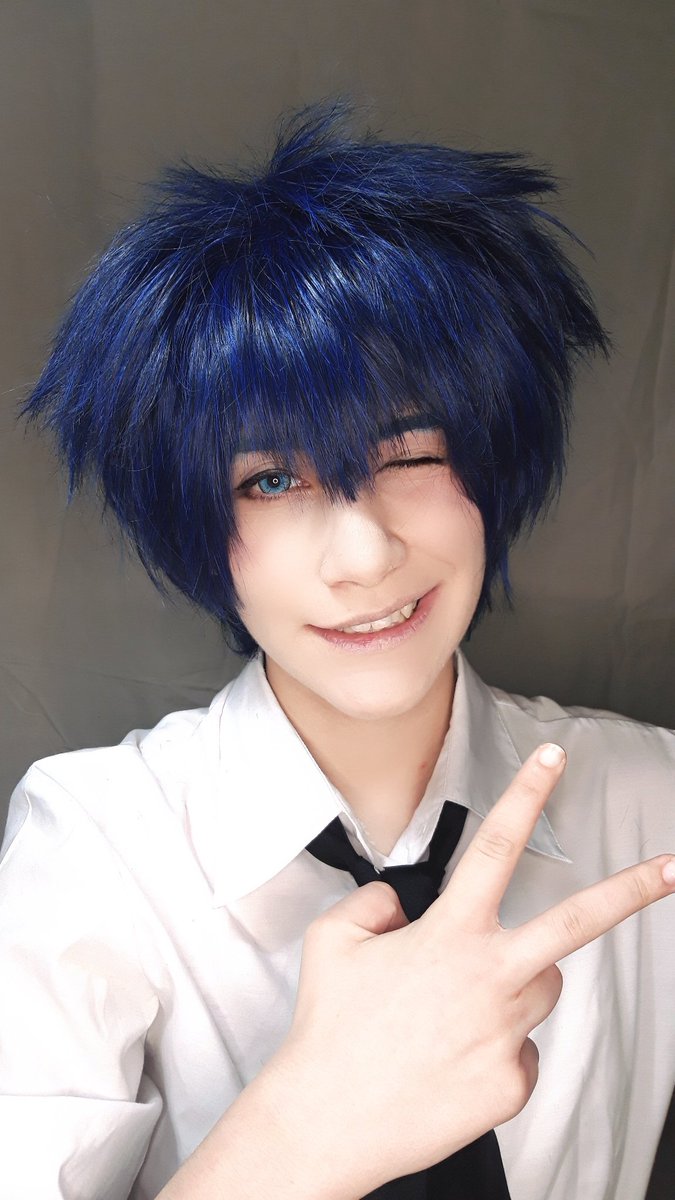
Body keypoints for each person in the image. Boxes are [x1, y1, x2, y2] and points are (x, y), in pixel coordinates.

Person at [1, 100, 673, 1200]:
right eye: (271, 480)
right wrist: (307, 1131)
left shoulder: (649, 802)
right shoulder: (95, 846)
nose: (364, 556)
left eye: (410, 454)